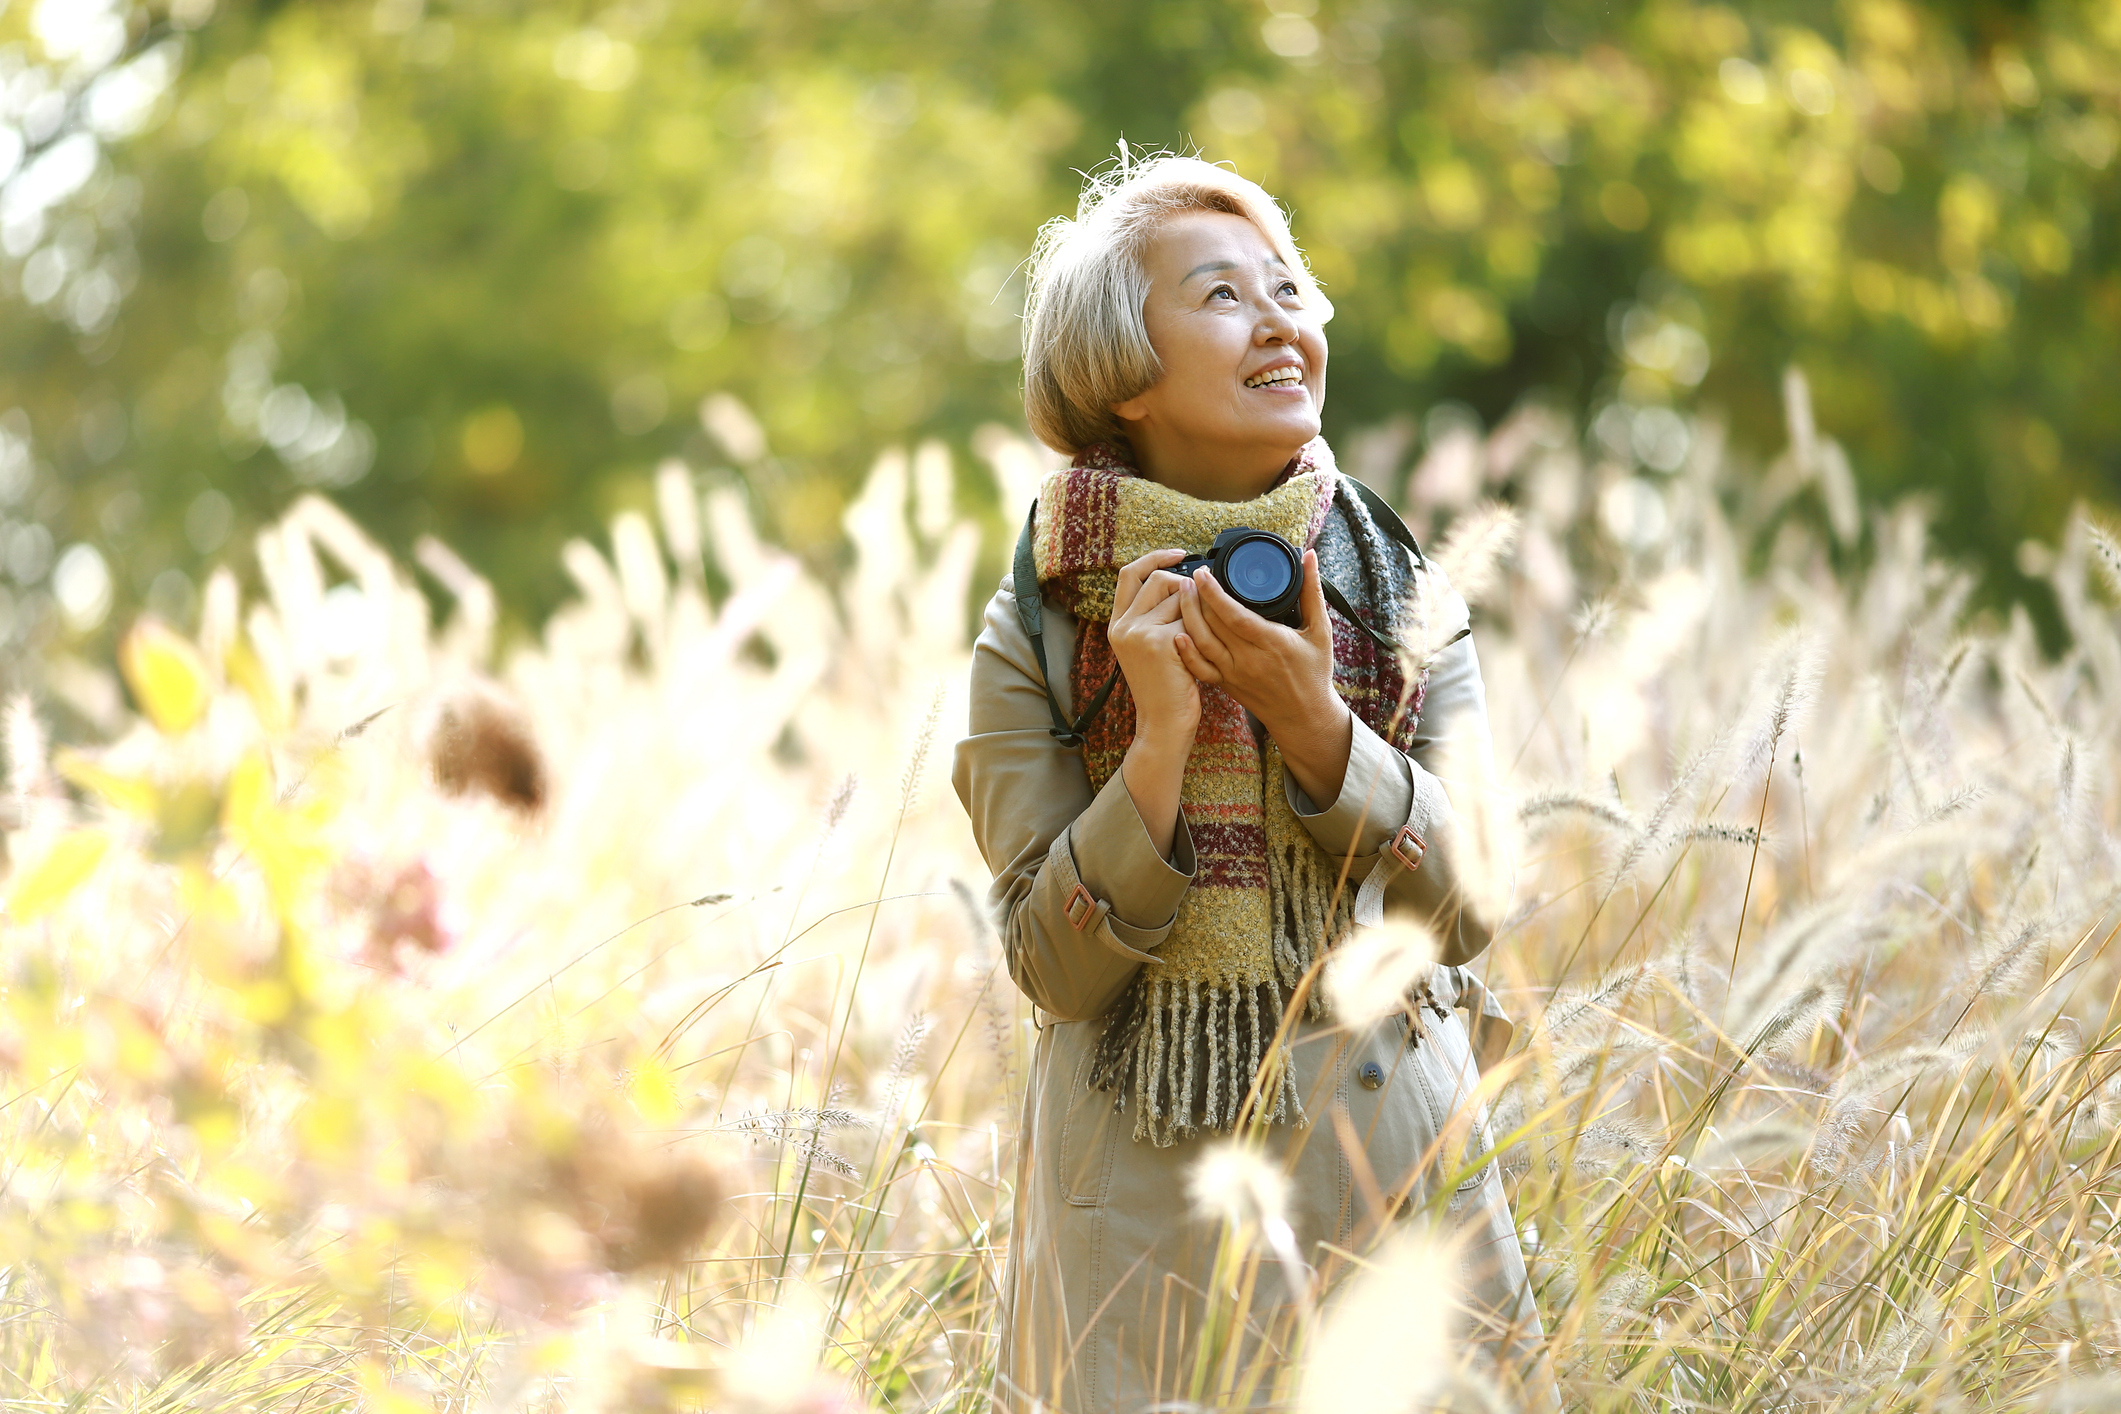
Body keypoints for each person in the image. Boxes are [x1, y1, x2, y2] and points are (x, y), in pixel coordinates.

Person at [951, 155, 1553, 1413]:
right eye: (1224, 295)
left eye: (1290, 289)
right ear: (1122, 366)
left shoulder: (1403, 596)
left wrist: (1315, 721)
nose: (1283, 320)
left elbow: (1474, 901)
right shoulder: (1043, 623)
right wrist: (1159, 747)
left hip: (1394, 1194)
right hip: (1143, 1237)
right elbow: (1050, 964)